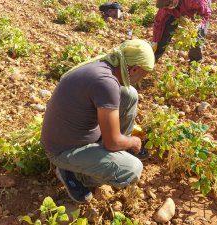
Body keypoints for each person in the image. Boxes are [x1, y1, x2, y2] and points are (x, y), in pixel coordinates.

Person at [41, 39, 155, 203]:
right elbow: (111, 142)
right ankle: (74, 174)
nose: (140, 80)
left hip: (71, 136)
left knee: (130, 94)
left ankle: (115, 150)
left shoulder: (104, 66)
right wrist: (133, 141)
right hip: (62, 150)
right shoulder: (106, 83)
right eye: (142, 75)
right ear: (135, 69)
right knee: (132, 169)